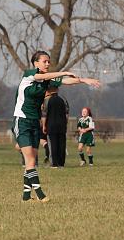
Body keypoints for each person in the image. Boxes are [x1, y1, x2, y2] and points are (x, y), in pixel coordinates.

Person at [13, 50, 100, 201]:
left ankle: (26, 197)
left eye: (48, 62)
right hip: (22, 121)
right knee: (30, 160)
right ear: (36, 63)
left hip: (35, 122)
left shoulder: (47, 81)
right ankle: (40, 194)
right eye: (44, 61)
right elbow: (43, 76)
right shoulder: (29, 75)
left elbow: (67, 82)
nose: (47, 63)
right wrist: (63, 72)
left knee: (31, 161)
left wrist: (85, 80)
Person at [45, 85, 69, 167]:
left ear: (48, 91)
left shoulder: (47, 100)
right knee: (62, 144)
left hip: (51, 124)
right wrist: (66, 123)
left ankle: (54, 163)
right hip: (62, 124)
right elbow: (67, 113)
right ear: (57, 89)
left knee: (53, 144)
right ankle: (61, 163)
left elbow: (44, 114)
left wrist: (44, 126)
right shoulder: (63, 99)